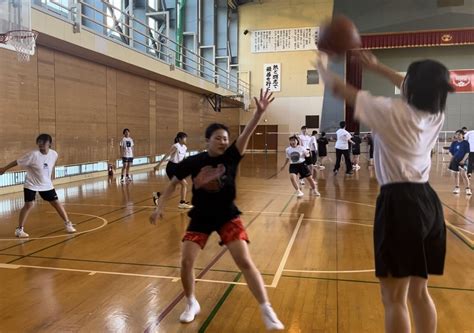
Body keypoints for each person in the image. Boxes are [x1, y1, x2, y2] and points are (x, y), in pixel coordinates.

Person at [318, 51, 453, 333]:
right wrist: (378, 67)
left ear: (412, 86)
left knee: (393, 298)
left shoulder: (389, 110)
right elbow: (412, 85)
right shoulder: (436, 114)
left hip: (400, 204)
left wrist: (323, 66)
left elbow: (338, 88)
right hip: (428, 203)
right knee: (419, 293)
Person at [149, 89, 284, 330]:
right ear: (208, 140)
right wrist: (160, 206)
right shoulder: (194, 161)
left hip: (227, 215)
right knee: (186, 261)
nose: (223, 141)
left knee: (244, 261)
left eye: (225, 138)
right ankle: (191, 303)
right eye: (218, 138)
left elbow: (246, 133)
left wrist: (259, 113)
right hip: (200, 217)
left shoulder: (232, 156)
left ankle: (266, 308)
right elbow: (171, 185)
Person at [0, 134, 76, 238]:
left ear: (50, 144)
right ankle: (19, 229)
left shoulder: (54, 154)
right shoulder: (33, 155)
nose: (41, 144)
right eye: (39, 142)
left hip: (46, 185)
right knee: (29, 205)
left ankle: (68, 223)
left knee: (56, 203)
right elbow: (17, 162)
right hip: (31, 184)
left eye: (43, 142)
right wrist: (4, 168)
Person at [152, 132, 193, 209]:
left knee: (172, 188)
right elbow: (167, 155)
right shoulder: (175, 146)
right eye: (184, 138)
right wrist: (158, 165)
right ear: (179, 139)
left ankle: (157, 194)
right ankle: (182, 203)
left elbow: (183, 159)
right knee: (184, 184)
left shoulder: (184, 147)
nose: (186, 139)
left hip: (178, 167)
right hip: (171, 168)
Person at [448, 130, 471, 195]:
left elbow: (467, 152)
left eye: (459, 134)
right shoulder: (454, 143)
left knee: (464, 174)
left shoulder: (466, 143)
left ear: (463, 135)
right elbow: (450, 151)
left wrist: (463, 160)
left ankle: (468, 189)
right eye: (456, 134)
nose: (457, 136)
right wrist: (451, 156)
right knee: (456, 174)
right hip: (455, 160)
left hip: (463, 160)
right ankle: (457, 188)